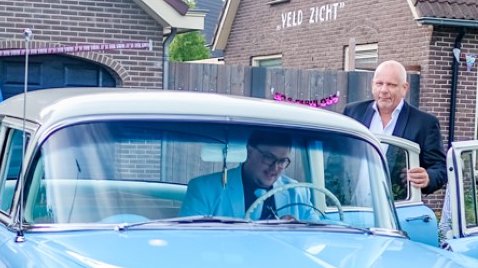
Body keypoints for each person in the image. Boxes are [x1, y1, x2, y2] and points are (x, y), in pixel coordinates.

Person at [344, 60, 447, 195]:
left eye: (391, 85)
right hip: (348, 203)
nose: (384, 90)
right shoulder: (353, 112)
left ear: (405, 88)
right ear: (372, 85)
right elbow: (334, 159)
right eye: (379, 83)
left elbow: (440, 168)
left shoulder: (424, 123)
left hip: (396, 205)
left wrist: (428, 177)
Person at [180, 131, 312, 219]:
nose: (275, 167)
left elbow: (317, 237)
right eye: (268, 157)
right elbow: (190, 240)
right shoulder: (204, 189)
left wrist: (297, 232)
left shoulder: (298, 192)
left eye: (282, 161)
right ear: (249, 152)